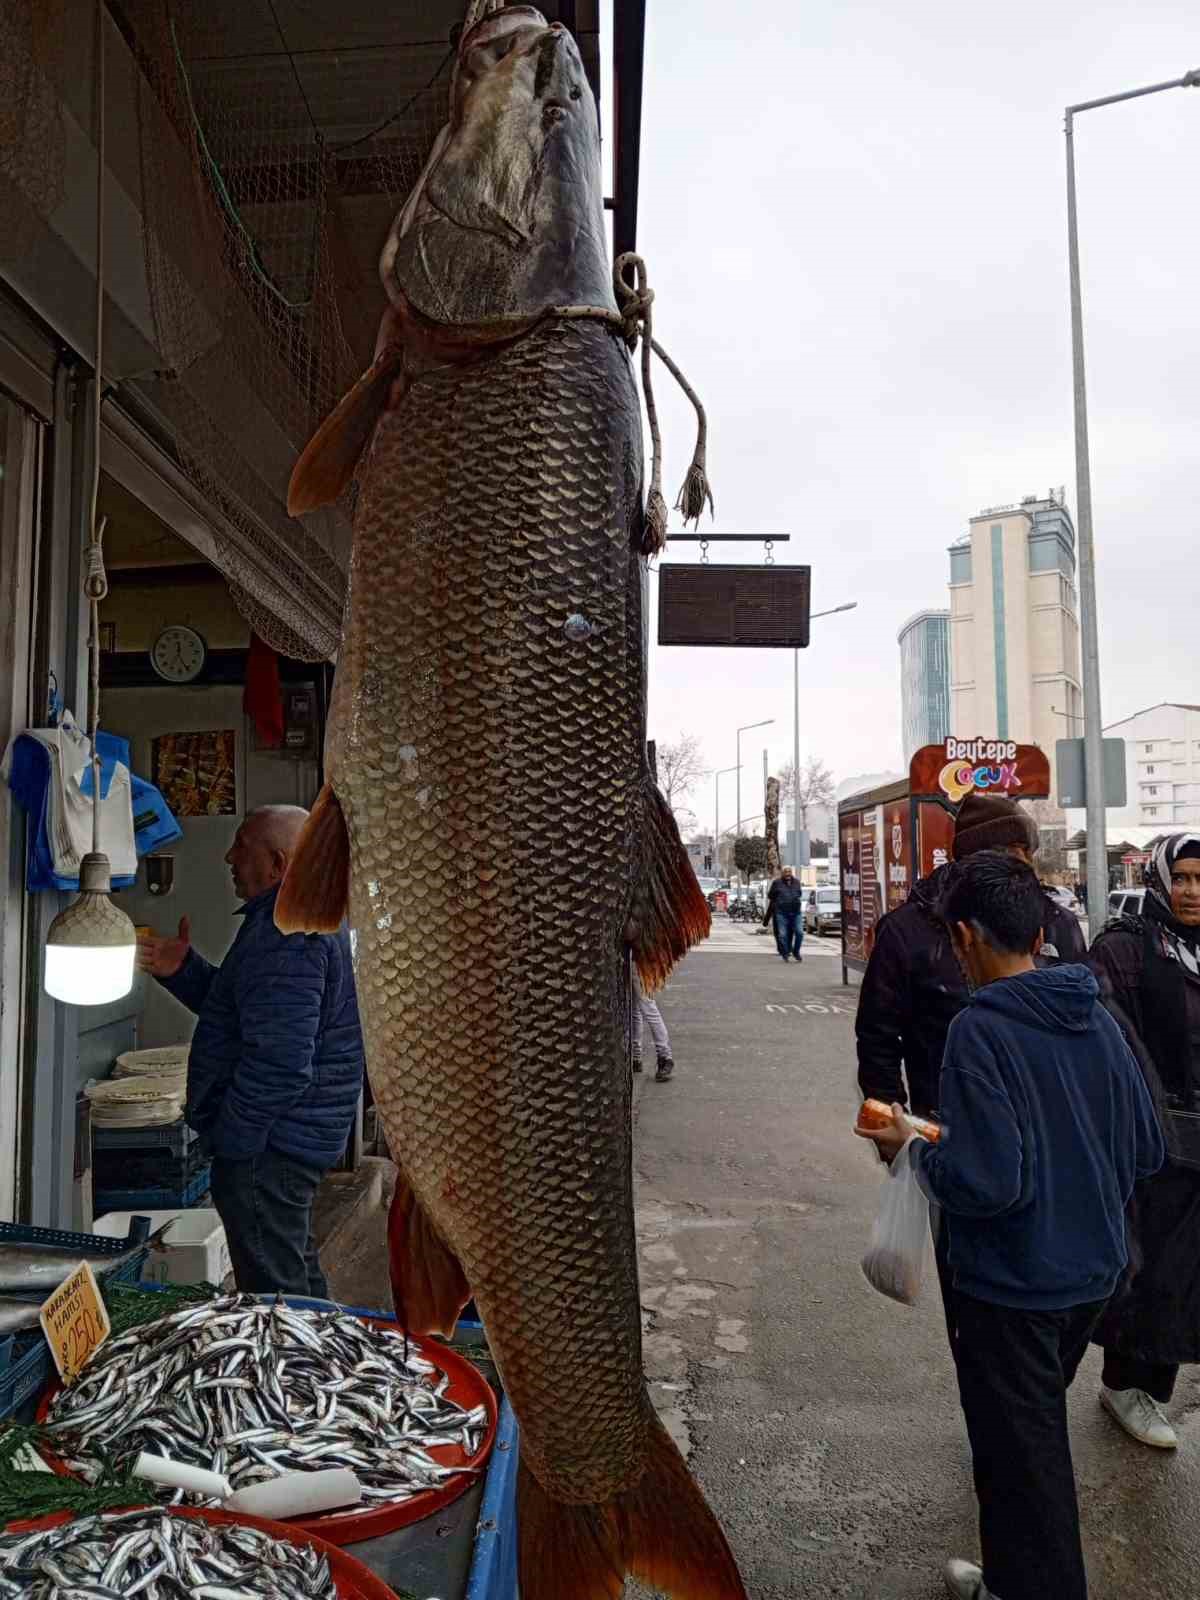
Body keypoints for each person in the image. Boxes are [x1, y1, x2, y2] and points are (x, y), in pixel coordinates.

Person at [857, 852, 1163, 1600]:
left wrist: (916, 1151)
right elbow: (1148, 1146)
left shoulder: (980, 1031)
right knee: (1024, 1437)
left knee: (1025, 1466)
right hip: (1095, 1276)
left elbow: (988, 1184)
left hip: (1014, 1287)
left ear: (964, 936)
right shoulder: (1095, 1012)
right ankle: (1014, 1577)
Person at [137, 805, 364, 1298]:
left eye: (242, 846)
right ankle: (322, 1361)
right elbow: (252, 1019)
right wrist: (185, 971)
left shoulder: (290, 936)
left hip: (271, 1148)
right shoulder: (298, 922)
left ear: (279, 865)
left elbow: (280, 1064)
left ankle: (297, 1372)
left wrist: (235, 1144)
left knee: (273, 1297)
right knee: (293, 1275)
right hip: (286, 1143)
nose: (228, 857)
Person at [856, 791, 1086, 1120]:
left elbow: (1082, 1020)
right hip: (945, 1132)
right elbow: (878, 1038)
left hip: (1048, 1129)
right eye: (1016, 852)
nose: (1027, 864)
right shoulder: (907, 930)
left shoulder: (1055, 920)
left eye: (1027, 853)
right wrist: (898, 1131)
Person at [1087, 832, 1200, 1450]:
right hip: (1150, 1140)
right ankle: (1127, 1385)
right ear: (1159, 879)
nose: (1190, 892)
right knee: (1149, 1268)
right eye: (1180, 878)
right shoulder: (1127, 948)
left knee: (1186, 1273)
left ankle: (1152, 1386)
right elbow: (1103, 1033)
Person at [632, 971, 675, 1082]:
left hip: (637, 961)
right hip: (634, 959)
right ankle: (636, 1057)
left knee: (646, 1005)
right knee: (636, 1007)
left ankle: (665, 1057)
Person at [763, 864, 804, 963]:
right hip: (781, 913)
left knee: (800, 933)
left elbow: (799, 894)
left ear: (791, 873)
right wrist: (779, 901)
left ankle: (796, 952)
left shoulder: (797, 882)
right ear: (782, 873)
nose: (787, 874)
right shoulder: (777, 883)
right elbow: (770, 896)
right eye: (785, 872)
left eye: (789, 871)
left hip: (795, 912)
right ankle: (785, 952)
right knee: (782, 935)